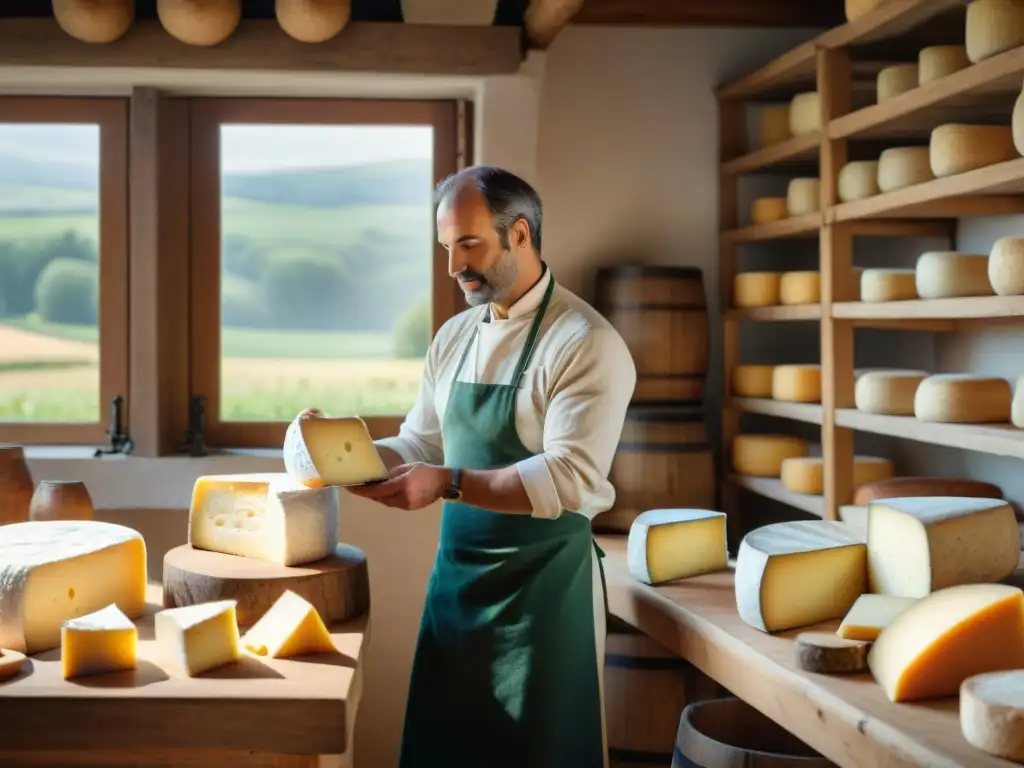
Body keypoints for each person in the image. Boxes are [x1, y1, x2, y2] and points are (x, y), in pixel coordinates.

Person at [343, 165, 635, 767]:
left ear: (520, 234)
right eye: (447, 247)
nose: (454, 267)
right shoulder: (453, 337)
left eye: (469, 245)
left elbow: (568, 477)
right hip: (456, 591)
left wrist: (448, 483)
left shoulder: (585, 341)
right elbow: (421, 443)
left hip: (545, 600)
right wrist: (341, 455)